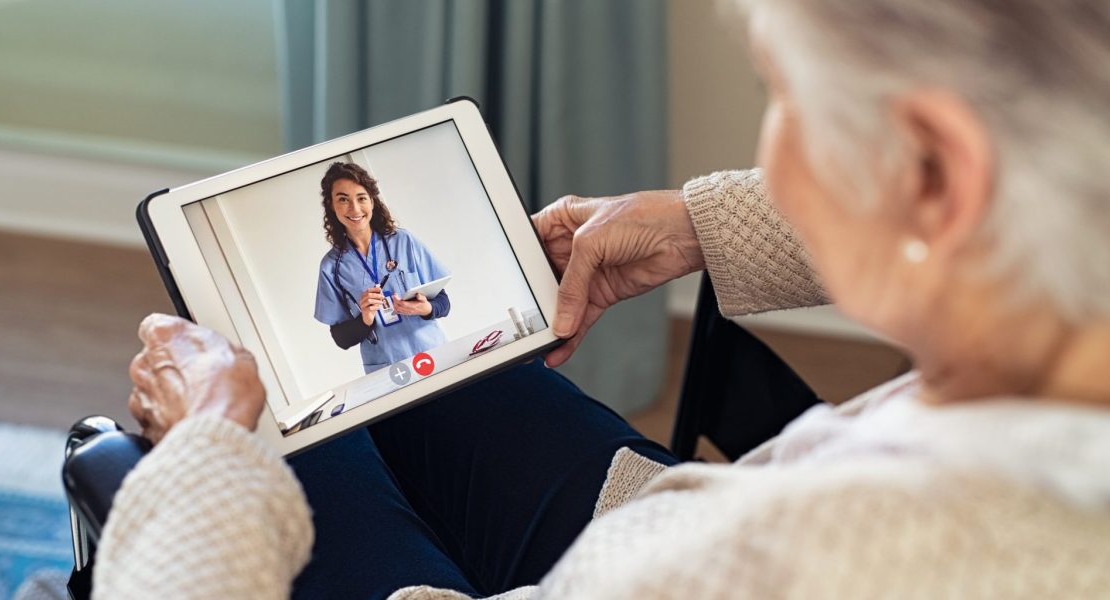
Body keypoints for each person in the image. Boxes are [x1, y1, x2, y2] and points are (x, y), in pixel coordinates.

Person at [101, 1, 1110, 598]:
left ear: (934, 172)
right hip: (687, 503)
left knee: (273, 417)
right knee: (418, 380)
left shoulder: (831, 556)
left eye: (783, 96)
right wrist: (695, 226)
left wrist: (205, 461)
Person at [313, 161, 451, 373]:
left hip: (431, 352)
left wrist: (427, 308)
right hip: (387, 368)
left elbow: (443, 301)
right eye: (343, 199)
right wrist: (364, 319)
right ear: (331, 205)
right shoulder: (332, 267)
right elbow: (340, 338)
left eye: (361, 198)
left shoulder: (404, 241)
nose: (355, 209)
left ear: (372, 201)